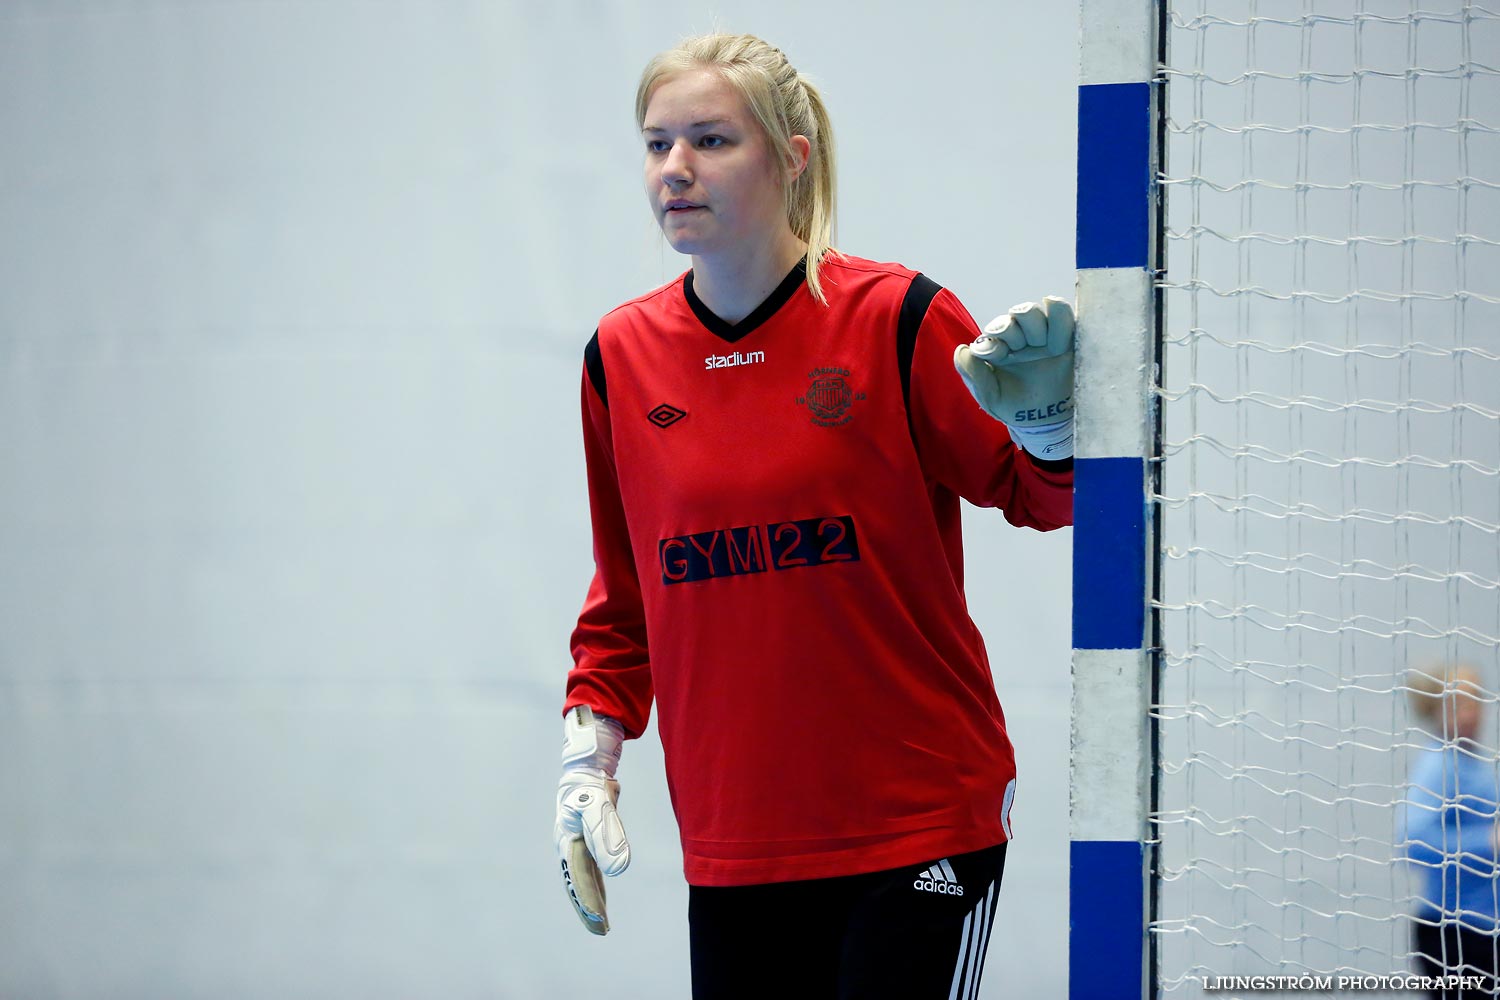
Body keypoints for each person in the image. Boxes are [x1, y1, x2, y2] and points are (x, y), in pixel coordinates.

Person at [552, 32, 1075, 999]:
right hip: (736, 839)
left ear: (791, 156)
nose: (674, 169)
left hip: (917, 819)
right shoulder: (618, 357)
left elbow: (1042, 497)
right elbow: (627, 597)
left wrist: (1050, 432)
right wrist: (589, 760)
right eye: (656, 142)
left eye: (710, 140)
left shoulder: (899, 317)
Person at [1401, 663, 1500, 999]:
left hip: (1485, 928)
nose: (1471, 712)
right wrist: (1488, 841)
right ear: (1436, 710)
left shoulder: (1473, 762)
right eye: (1459, 704)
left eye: (1475, 701)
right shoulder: (1439, 765)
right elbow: (1411, 843)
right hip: (1454, 932)